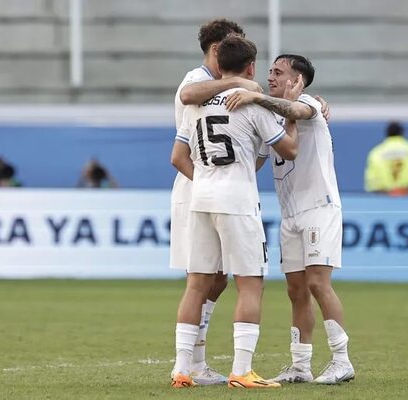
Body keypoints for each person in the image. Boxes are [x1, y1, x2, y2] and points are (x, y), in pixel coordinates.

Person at [169, 35, 299, 389]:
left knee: (196, 285)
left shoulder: (195, 104)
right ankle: (241, 370)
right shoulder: (250, 104)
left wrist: (209, 178)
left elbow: (177, 157)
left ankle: (182, 370)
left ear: (217, 62)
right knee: (249, 283)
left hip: (201, 197)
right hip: (237, 200)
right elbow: (289, 150)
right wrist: (289, 114)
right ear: (251, 67)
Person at [225, 54, 355, 384]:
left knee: (317, 283)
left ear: (297, 80)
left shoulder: (309, 104)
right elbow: (256, 161)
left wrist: (255, 96)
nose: (270, 76)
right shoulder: (272, 117)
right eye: (269, 71)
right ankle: (301, 364)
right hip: (290, 215)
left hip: (319, 208)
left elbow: (296, 110)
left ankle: (342, 360)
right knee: (296, 290)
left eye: (278, 72)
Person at [169, 18, 262, 386]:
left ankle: (193, 362)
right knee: (205, 278)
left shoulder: (217, 87)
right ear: (216, 49)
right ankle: (193, 362)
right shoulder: (196, 80)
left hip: (208, 188)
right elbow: (188, 99)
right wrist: (238, 81)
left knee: (214, 279)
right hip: (200, 188)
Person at [364, 121, 408, 196]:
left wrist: (390, 194)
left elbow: (373, 183)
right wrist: (405, 193)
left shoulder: (376, 153)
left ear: (387, 133)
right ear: (402, 133)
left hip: (384, 203)